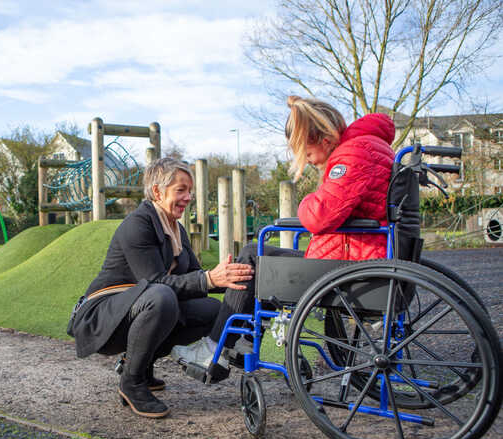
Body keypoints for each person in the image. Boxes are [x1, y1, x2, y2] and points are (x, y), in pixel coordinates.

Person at [171, 95, 396, 370]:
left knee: (254, 255)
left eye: (308, 153)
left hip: (350, 266)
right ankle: (236, 344)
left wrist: (305, 203)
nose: (310, 162)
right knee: (257, 256)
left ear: (324, 139)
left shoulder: (352, 155)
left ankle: (215, 348)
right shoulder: (370, 147)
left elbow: (320, 215)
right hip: (357, 253)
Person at [68, 158, 253, 418]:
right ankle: (131, 381)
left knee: (212, 310)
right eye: (181, 190)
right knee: (162, 297)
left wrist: (237, 277)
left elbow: (194, 280)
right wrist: (210, 278)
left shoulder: (177, 230)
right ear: (157, 191)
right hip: (103, 316)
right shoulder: (138, 224)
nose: (188, 197)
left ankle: (141, 365)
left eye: (190, 191)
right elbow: (154, 281)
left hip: (138, 310)